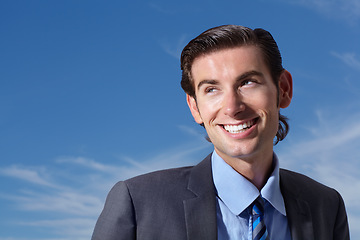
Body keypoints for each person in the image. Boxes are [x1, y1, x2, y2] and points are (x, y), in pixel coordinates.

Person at [91, 25, 350, 240]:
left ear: (283, 89)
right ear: (195, 107)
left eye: (248, 82)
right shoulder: (138, 203)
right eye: (211, 89)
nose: (232, 107)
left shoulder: (326, 206)